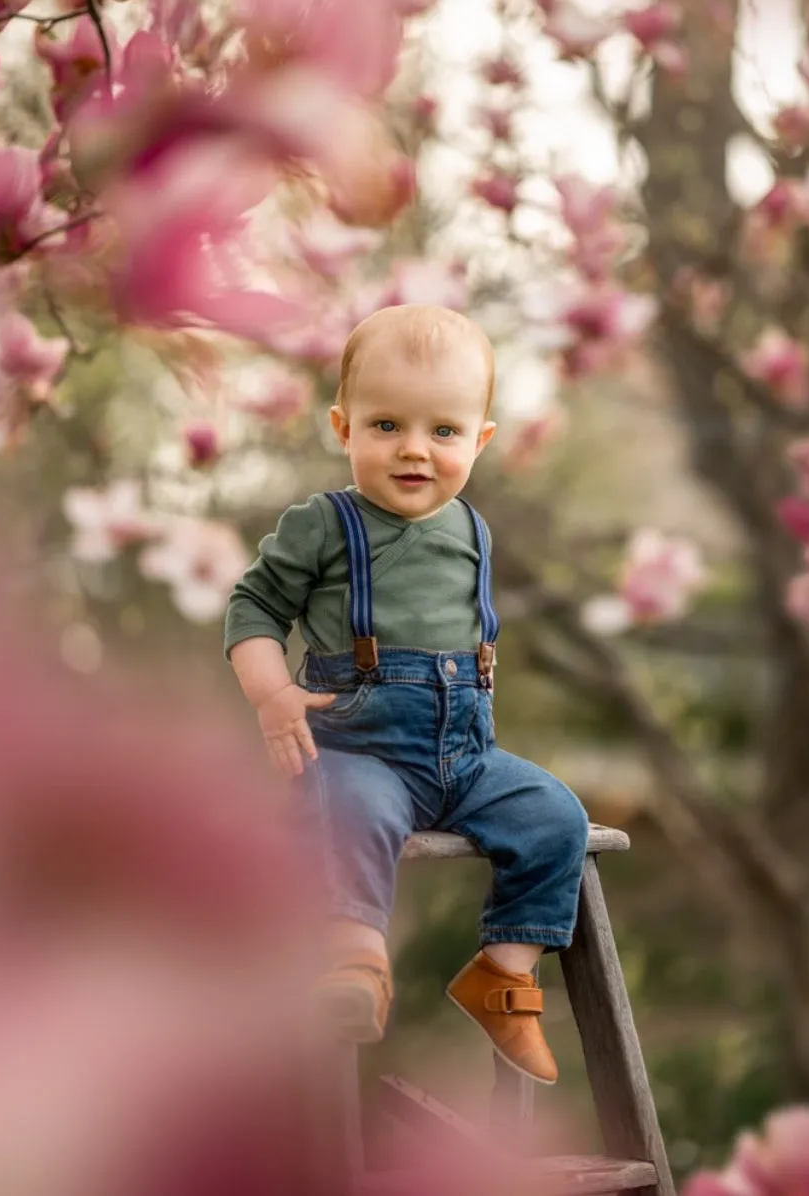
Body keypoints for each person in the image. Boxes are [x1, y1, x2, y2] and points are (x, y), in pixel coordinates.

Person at [224, 303, 589, 1084]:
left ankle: (505, 972)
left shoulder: (473, 530)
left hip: (466, 755)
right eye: (386, 425)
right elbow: (253, 606)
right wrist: (271, 692)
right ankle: (356, 964)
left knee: (556, 815)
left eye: (444, 432)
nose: (415, 449)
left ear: (480, 441)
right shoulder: (325, 524)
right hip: (360, 748)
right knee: (351, 813)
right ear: (342, 426)